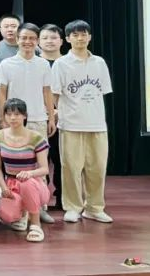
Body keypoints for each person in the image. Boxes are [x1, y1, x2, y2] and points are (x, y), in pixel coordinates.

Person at [52, 19, 113, 224]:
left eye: (84, 34)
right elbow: (55, 94)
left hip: (97, 124)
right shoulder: (61, 63)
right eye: (75, 35)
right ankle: (72, 207)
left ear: (90, 37)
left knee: (97, 168)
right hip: (71, 124)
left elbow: (102, 91)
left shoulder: (99, 62)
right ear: (68, 38)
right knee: (71, 168)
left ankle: (94, 208)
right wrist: (59, 114)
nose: (80, 38)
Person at [0, 98, 51, 242]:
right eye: (9, 114)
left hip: (34, 183)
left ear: (25, 116)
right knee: (6, 214)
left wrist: (29, 173)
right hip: (11, 184)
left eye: (17, 114)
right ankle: (23, 213)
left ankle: (35, 224)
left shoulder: (36, 137)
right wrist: (3, 187)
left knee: (26, 183)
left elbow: (45, 169)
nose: (13, 118)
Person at [0, 23, 56, 139]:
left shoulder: (43, 64)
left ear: (37, 41)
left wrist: (51, 119)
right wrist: (2, 119)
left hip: (39, 119)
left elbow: (47, 92)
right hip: (14, 119)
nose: (28, 41)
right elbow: (2, 93)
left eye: (32, 38)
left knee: (40, 151)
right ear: (17, 39)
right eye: (24, 38)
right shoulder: (6, 64)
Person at [39, 23, 64, 209]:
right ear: (39, 42)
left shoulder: (68, 62)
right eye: (45, 38)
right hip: (38, 118)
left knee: (62, 161)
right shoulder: (34, 62)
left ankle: (64, 199)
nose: (49, 41)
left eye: (54, 37)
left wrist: (58, 111)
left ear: (62, 41)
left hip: (64, 120)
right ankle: (41, 202)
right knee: (39, 160)